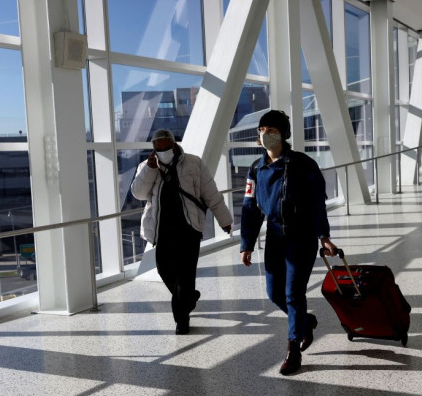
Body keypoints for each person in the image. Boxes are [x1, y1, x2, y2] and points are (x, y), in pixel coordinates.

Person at [240, 110, 338, 375]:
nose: (265, 135)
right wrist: (247, 243)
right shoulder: (256, 168)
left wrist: (323, 235)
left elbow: (317, 202)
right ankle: (306, 321)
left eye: (271, 130)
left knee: (294, 292)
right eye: (262, 130)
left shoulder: (303, 164)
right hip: (274, 235)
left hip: (301, 235)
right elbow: (250, 207)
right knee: (274, 293)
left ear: (283, 134)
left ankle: (293, 349)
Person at [131, 128, 233, 335]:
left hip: (189, 227)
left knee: (185, 275)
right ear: (153, 149)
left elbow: (210, 192)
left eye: (166, 147)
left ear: (173, 144)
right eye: (158, 149)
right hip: (162, 229)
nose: (163, 151)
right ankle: (187, 298)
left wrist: (225, 220)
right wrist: (149, 170)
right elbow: (138, 193)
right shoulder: (147, 166)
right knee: (164, 270)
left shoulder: (193, 163)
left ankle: (181, 319)